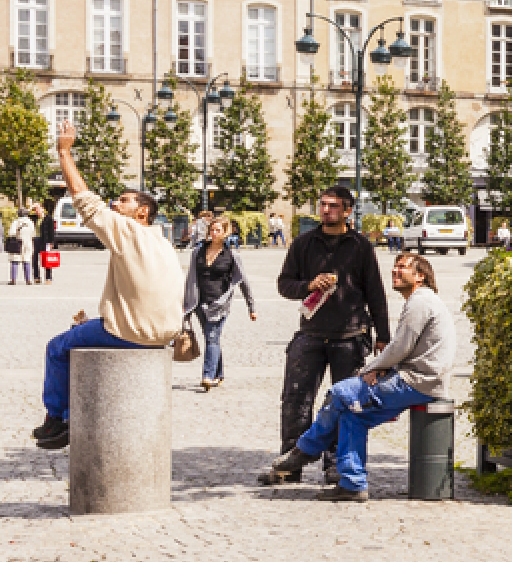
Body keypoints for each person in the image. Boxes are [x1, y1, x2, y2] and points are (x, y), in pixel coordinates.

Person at [31, 122, 182, 451]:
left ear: (142, 212)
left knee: (57, 347)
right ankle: (69, 414)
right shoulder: (164, 243)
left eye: (124, 201)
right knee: (84, 331)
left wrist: (64, 151)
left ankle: (59, 419)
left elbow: (84, 199)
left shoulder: (129, 231)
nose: (115, 204)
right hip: (164, 333)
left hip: (131, 332)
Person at [261, 252, 455, 502]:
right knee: (354, 416)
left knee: (341, 392)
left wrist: (370, 369)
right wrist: (384, 367)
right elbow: (404, 349)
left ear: (420, 276)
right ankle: (353, 484)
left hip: (417, 381)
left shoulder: (421, 300)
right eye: (394, 267)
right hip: (417, 378)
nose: (395, 271)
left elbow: (400, 347)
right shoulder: (421, 300)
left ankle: (305, 450)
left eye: (402, 268)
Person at [261, 185, 391, 484]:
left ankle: (337, 464)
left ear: (347, 211)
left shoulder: (360, 246)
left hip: (351, 335)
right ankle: (290, 464)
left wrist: (382, 336)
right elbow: (284, 284)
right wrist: (308, 286)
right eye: (323, 205)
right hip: (311, 334)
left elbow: (376, 293)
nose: (326, 210)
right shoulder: (303, 244)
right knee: (295, 400)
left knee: (345, 403)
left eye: (333, 206)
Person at [185, 211, 257, 389]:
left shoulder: (232, 256)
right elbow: (190, 277)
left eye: (218, 230)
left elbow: (243, 282)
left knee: (211, 338)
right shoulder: (198, 252)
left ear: (226, 232)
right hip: (199, 303)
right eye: (212, 229)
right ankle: (219, 374)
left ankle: (207, 376)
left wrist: (251, 307)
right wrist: (186, 302)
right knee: (212, 339)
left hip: (219, 304)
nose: (214, 233)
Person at [7, 206, 34, 285]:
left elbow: (11, 233)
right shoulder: (30, 222)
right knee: (27, 260)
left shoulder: (16, 222)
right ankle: (28, 279)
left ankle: (13, 279)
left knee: (15, 260)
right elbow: (33, 233)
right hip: (28, 243)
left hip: (18, 243)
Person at [33, 203, 55, 284]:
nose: (36, 211)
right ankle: (36, 277)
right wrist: (31, 207)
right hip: (35, 240)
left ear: (42, 209)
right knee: (35, 259)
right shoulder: (34, 218)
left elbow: (52, 231)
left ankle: (48, 278)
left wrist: (51, 242)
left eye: (38, 209)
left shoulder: (48, 219)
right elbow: (25, 214)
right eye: (35, 209)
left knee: (46, 259)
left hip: (45, 241)